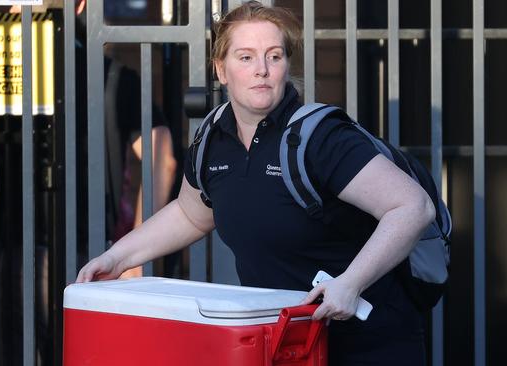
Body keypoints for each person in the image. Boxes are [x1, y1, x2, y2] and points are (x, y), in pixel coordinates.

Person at [76, 1, 435, 365]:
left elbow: (412, 207)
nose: (261, 70)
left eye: (274, 56)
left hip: (368, 344)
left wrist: (351, 282)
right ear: (221, 69)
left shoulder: (321, 139)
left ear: (285, 66)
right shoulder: (213, 141)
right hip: (285, 344)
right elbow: (190, 214)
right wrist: (116, 258)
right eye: (245, 57)